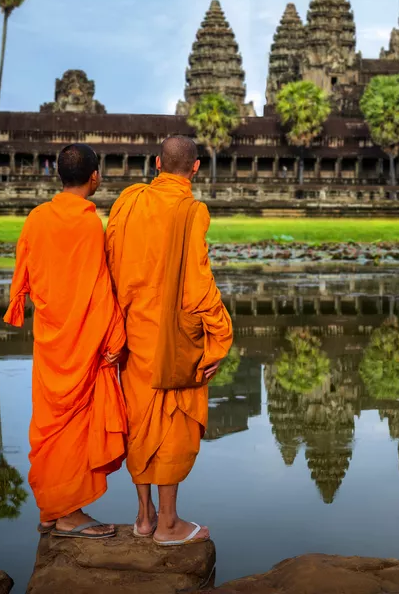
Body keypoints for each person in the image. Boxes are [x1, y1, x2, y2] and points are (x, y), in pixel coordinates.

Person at [105, 135, 234, 546]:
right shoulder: (192, 210)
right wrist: (220, 335)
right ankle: (169, 523)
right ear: (195, 168)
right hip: (171, 339)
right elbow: (198, 284)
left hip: (130, 332)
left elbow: (110, 260)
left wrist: (112, 327)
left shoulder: (128, 200)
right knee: (171, 423)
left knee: (139, 421)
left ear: (157, 162)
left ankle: (143, 516)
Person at [4, 143, 127, 540]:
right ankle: (68, 514)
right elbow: (98, 287)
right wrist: (114, 335)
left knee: (49, 423)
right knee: (73, 425)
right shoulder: (90, 225)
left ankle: (51, 510)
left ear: (59, 175)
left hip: (52, 336)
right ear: (95, 176)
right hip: (82, 340)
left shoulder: (37, 218)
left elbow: (24, 273)